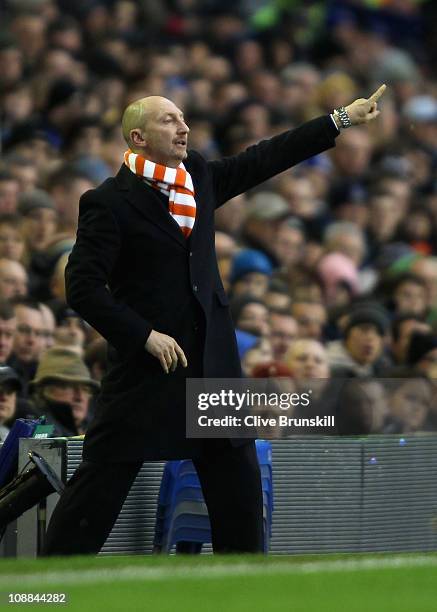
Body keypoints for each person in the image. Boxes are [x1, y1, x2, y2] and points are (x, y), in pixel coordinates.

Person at [43, 86, 386, 556]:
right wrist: (142, 335)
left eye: (184, 118)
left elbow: (266, 157)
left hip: (212, 367)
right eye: (169, 121)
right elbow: (81, 288)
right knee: (97, 490)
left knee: (240, 505)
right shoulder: (107, 202)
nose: (184, 127)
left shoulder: (198, 176)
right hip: (149, 370)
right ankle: (39, 593)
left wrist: (340, 119)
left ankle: (243, 598)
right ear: (138, 137)